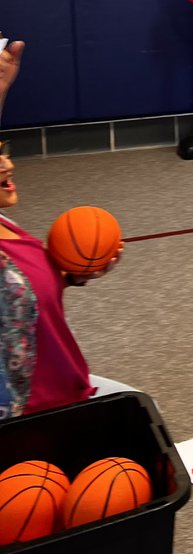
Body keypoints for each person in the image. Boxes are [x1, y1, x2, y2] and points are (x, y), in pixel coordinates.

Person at [0, 42, 132, 419]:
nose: (8, 164)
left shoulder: (7, 224)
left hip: (67, 386)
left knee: (139, 405)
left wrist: (73, 274)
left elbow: (20, 299)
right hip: (31, 415)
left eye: (3, 150)